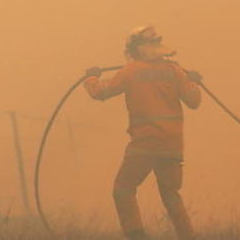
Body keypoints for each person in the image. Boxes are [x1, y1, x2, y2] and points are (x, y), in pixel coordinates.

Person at [84, 26, 202, 240]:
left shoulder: (131, 71)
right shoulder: (174, 71)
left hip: (145, 143)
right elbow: (194, 101)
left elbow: (101, 91)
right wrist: (192, 80)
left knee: (123, 189)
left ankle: (136, 235)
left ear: (136, 49)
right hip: (172, 146)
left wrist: (91, 77)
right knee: (171, 196)